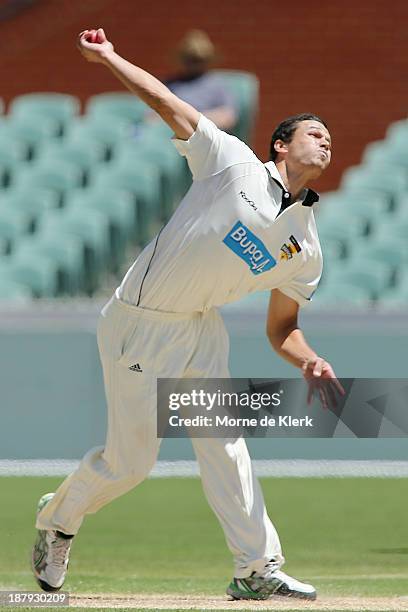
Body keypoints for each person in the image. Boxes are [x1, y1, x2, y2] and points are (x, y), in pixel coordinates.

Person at [32, 28, 343, 602]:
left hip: (201, 329)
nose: (326, 143)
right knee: (130, 462)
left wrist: (310, 358)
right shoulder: (231, 163)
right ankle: (58, 519)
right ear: (280, 144)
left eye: (330, 139)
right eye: (314, 133)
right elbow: (162, 100)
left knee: (225, 443)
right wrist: (108, 57)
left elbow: (282, 329)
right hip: (140, 320)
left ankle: (256, 568)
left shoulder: (306, 245)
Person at [163, 29, 237, 131]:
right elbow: (153, 115)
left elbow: (228, 117)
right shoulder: (172, 84)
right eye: (190, 59)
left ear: (207, 60)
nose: (193, 64)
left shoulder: (216, 85)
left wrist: (190, 119)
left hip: (202, 136)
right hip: (168, 135)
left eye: (198, 60)